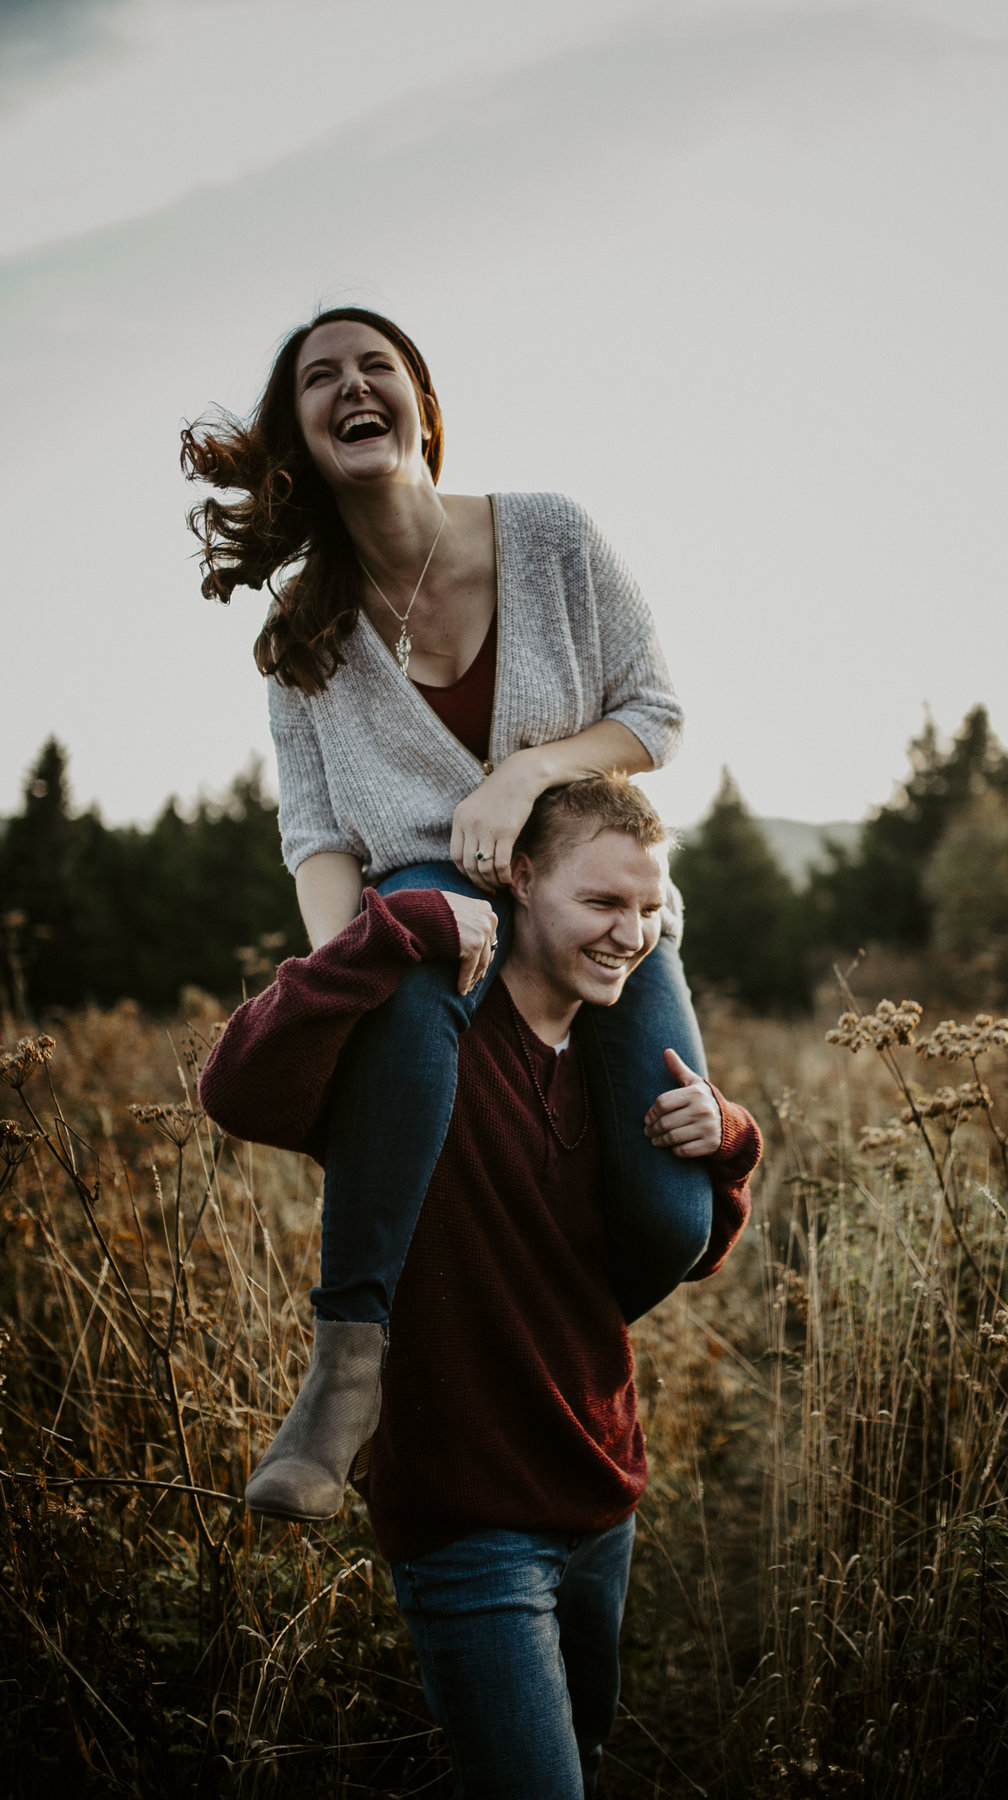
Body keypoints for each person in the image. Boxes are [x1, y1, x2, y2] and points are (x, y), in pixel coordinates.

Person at [182, 306, 714, 1520]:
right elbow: (318, 835)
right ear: (301, 436)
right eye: (322, 378)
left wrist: (524, 775)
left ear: (424, 402)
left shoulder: (551, 537)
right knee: (418, 950)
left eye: (378, 366)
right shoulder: (299, 638)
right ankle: (346, 1371)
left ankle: (529, 1349)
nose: (354, 386)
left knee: (672, 1213)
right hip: (425, 906)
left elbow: (657, 714)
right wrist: (350, 975)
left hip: (588, 887)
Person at [198, 775, 761, 1799]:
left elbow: (677, 1252)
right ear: (521, 878)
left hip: (603, 1494)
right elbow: (235, 1088)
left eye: (649, 908)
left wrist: (724, 1150)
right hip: (466, 1520)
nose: (630, 934)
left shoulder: (620, 1062)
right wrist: (380, 938)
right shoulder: (414, 1055)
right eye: (601, 904)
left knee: (582, 1765)